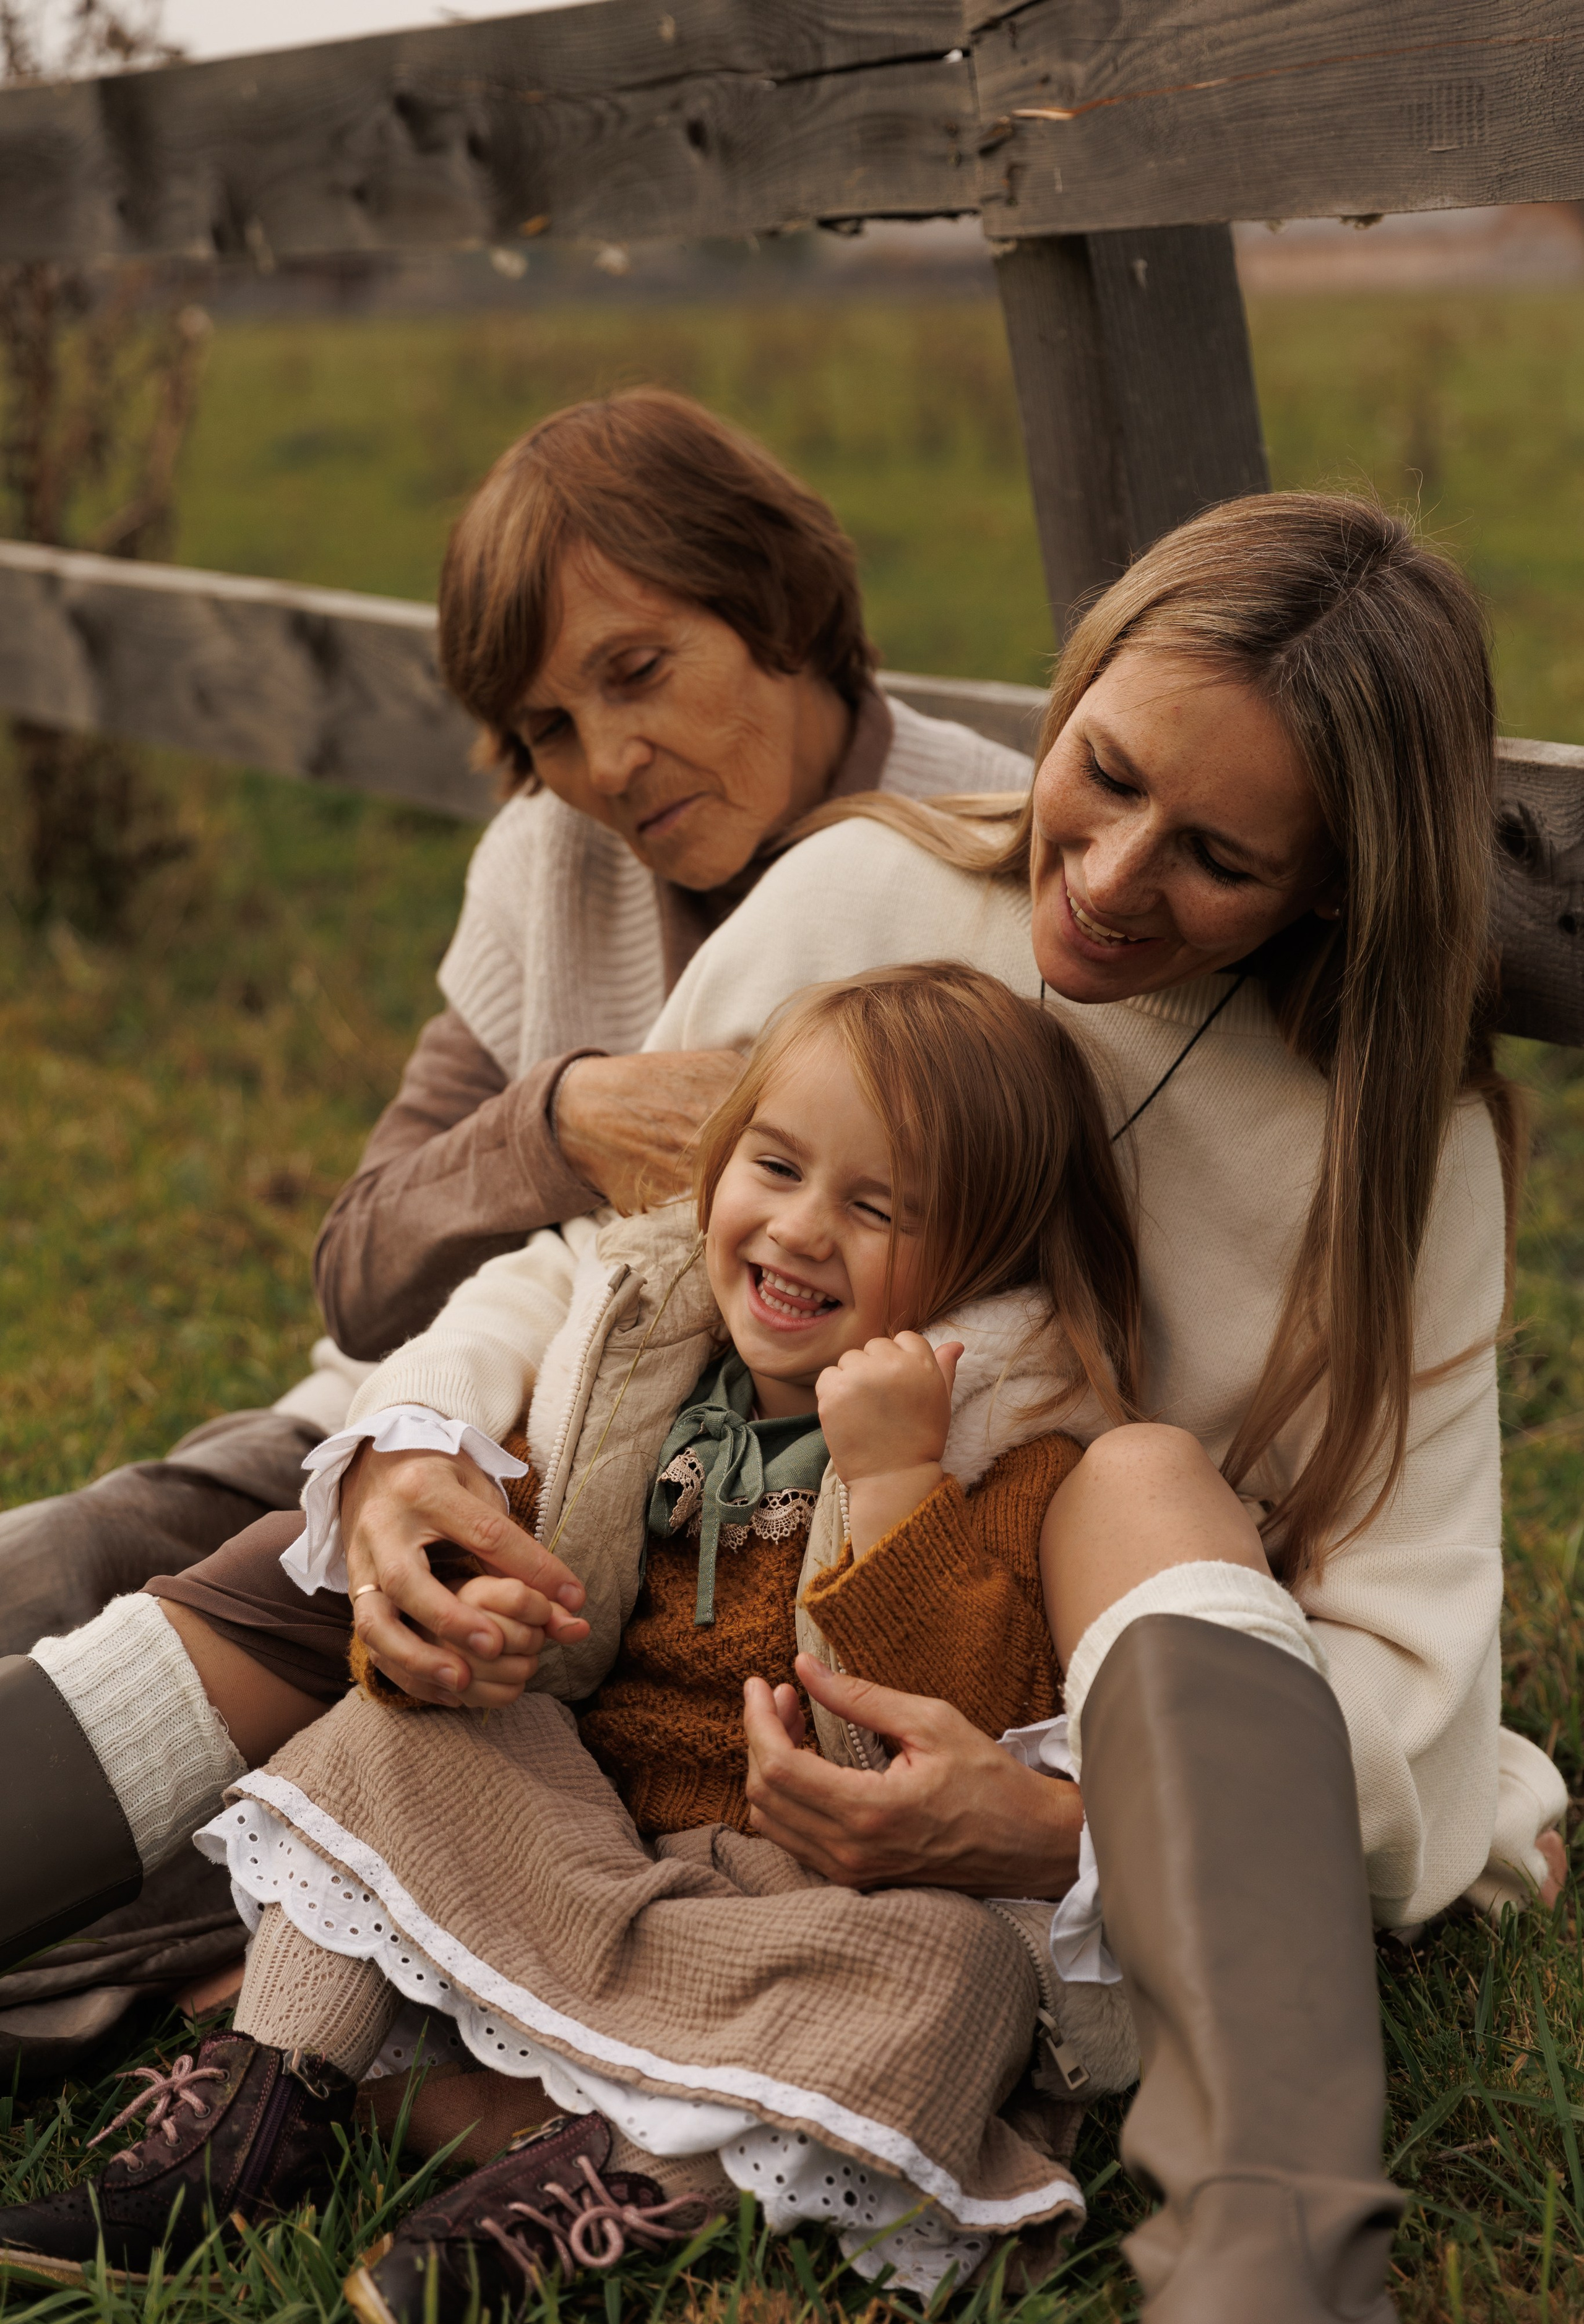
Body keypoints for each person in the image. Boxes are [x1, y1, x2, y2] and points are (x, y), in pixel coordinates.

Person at [6, 491, 1569, 2324]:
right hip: (625, 1620)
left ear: (1335, 880)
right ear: (1064, 702)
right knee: (326, 1561)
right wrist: (419, 1456)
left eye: (1221, 857)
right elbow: (623, 1273)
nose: (1112, 876)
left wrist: (1049, 1822)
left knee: (1135, 1491)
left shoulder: (1401, 1161)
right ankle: (339, 2037)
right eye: (1106, 773)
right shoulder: (862, 894)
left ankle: (1275, 2269)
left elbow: (1407, 1677)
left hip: (989, 1741)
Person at [0, 388, 1030, 1998]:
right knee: (98, 1538)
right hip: (430, 1406)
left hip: (685, 1541)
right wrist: (558, 1121)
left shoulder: (987, 863)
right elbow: (360, 1267)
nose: (606, 765)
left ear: (782, 611)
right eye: (550, 726)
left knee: (270, 1629)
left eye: (638, 672)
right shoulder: (555, 858)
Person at [0, 961, 1147, 2324]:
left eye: (876, 1207)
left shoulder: (1007, 1462)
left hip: (807, 1916)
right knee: (389, 1724)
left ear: (985, 1260)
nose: (796, 1230)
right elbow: (534, 1595)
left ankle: (603, 2190)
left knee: (956, 1980)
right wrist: (463, 1637)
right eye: (772, 1167)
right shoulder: (641, 1373)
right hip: (582, 1846)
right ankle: (254, 2116)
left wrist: (893, 1481)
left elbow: (941, 1726)